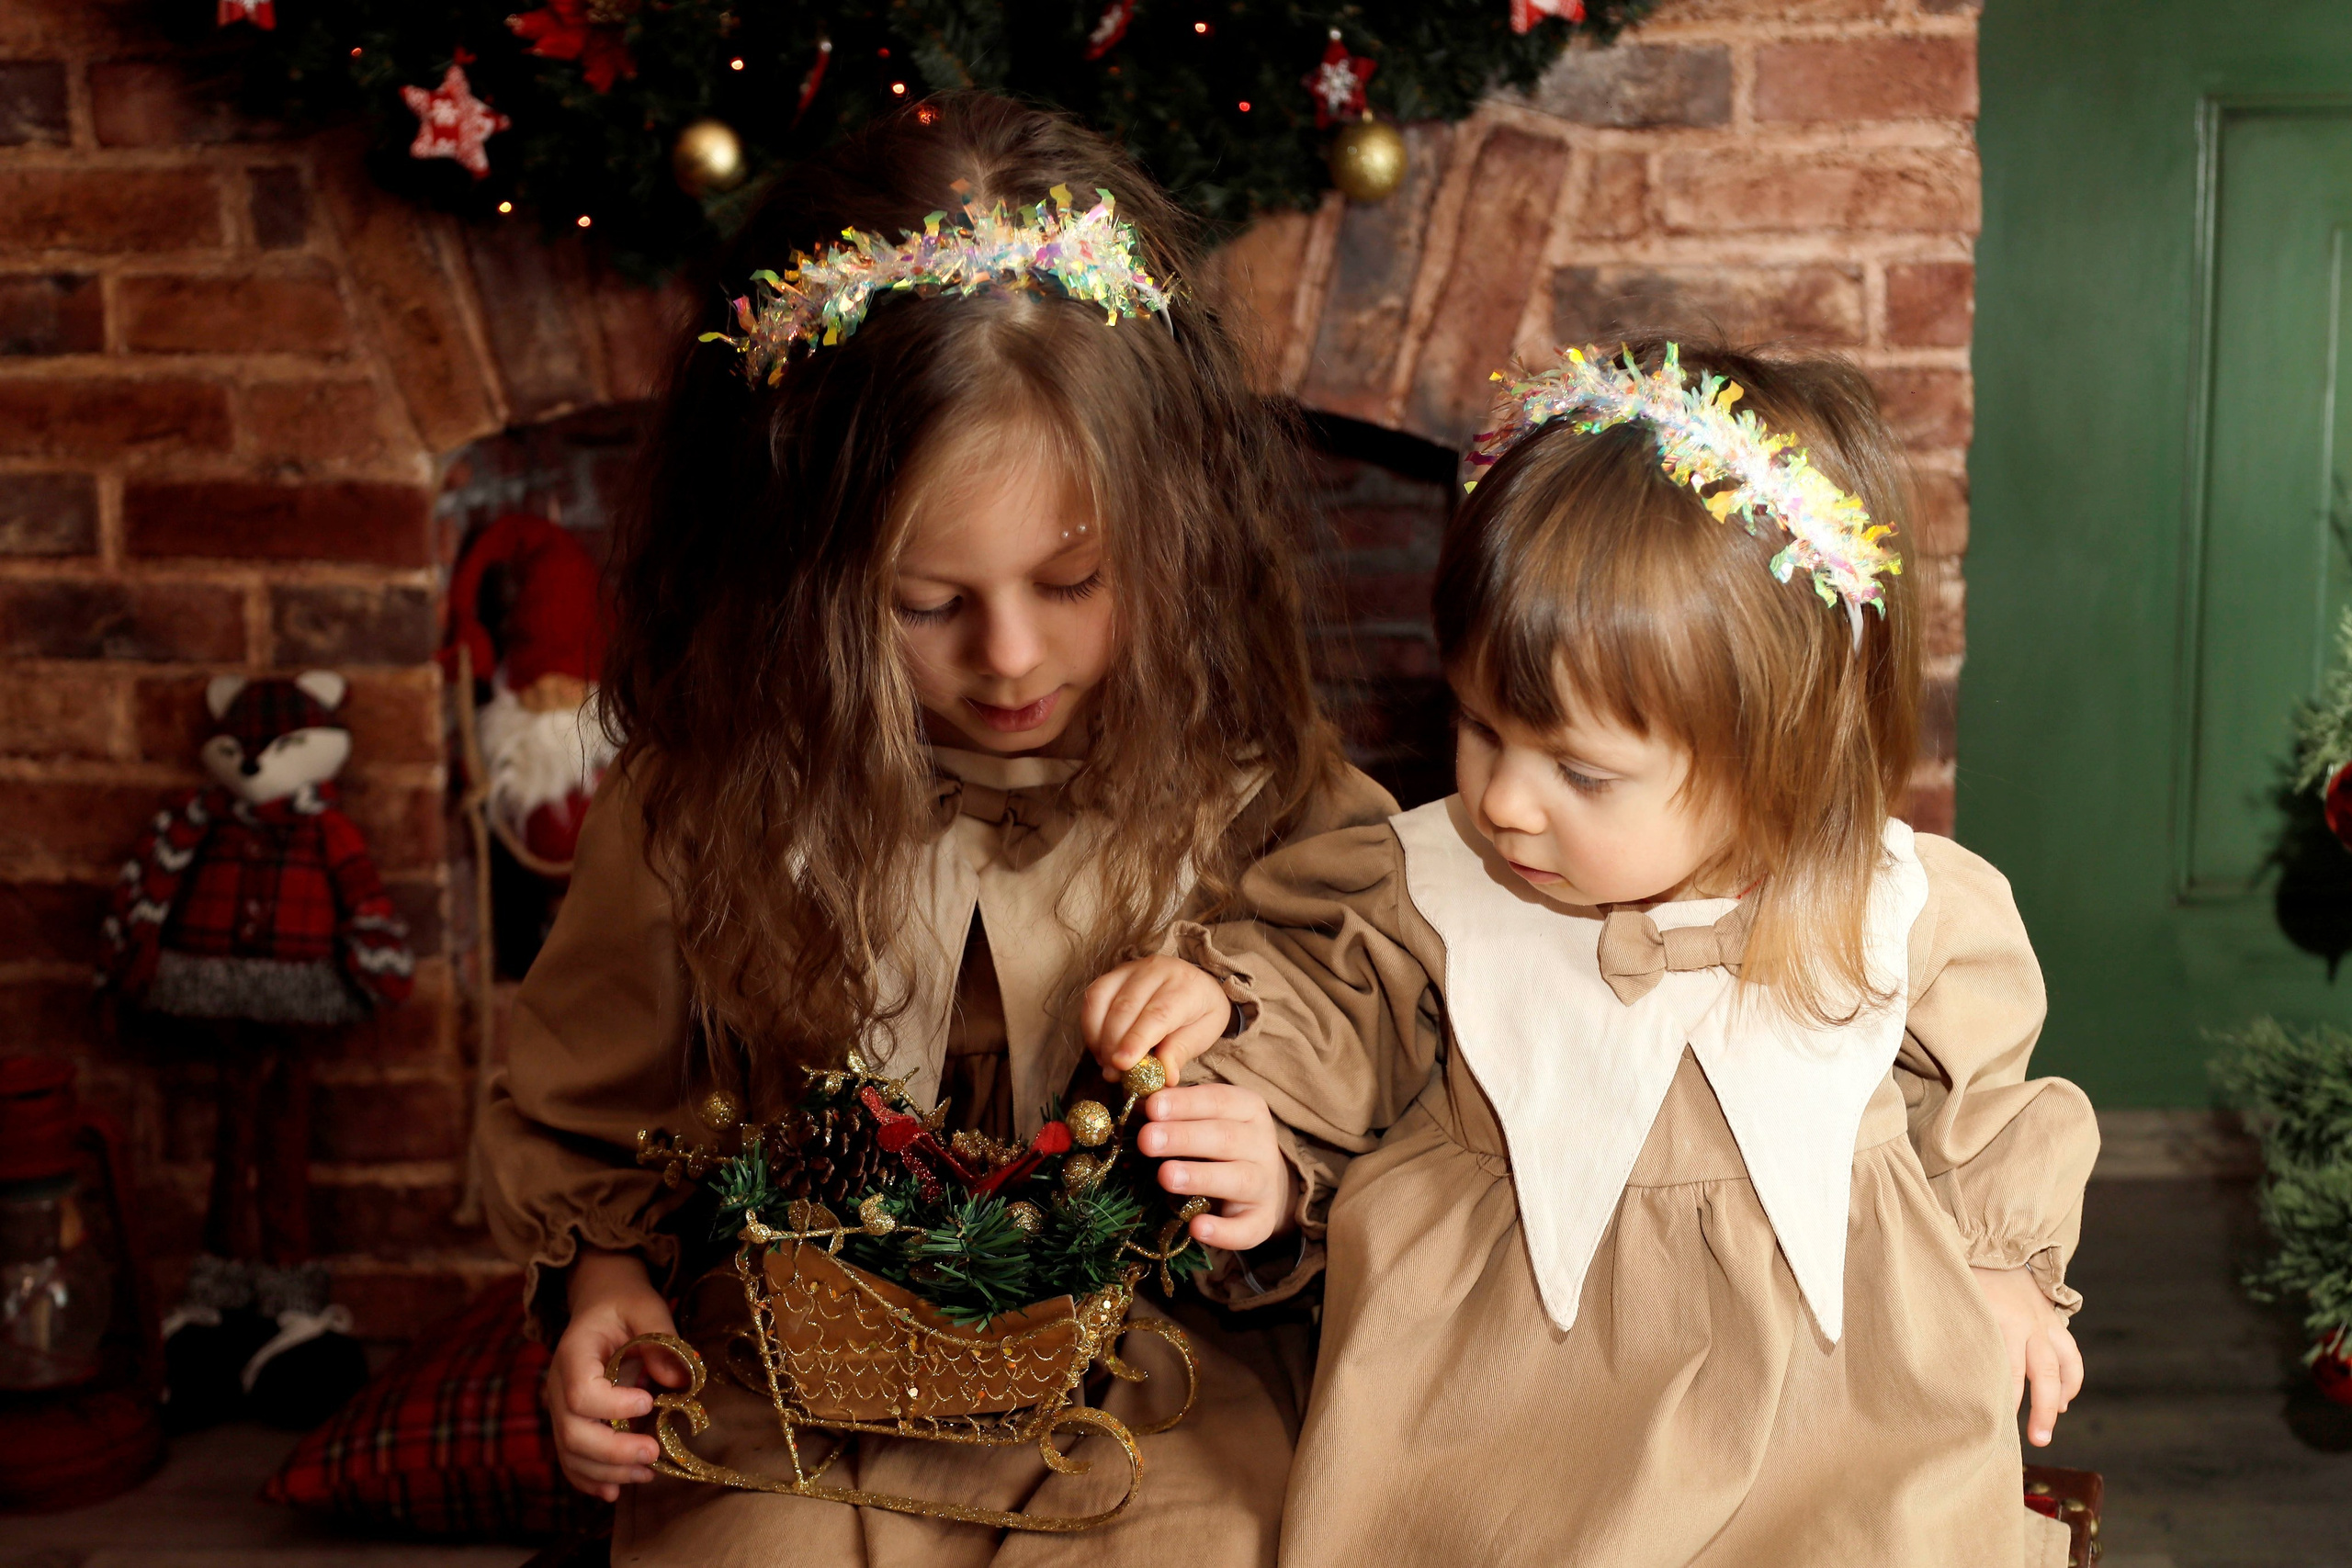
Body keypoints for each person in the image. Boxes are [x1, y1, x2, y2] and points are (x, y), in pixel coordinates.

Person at [474, 93, 1387, 1568]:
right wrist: (601, 1293)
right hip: (803, 1364)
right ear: (802, 579)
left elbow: (1370, 990)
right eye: (925, 604)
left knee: (1210, 1543)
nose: (1012, 658)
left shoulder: (1246, 774)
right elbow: (589, 1111)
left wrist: (1263, 1117)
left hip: (1149, 1369)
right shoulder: (705, 801)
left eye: (1075, 581)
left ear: (1174, 535)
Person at [1082, 340, 2098, 1567]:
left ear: (1781, 754)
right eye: (1479, 727)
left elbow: (1984, 1109)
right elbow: (1330, 1001)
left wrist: (2004, 1271)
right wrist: (1255, 1101)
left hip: (1834, 1400)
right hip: (1508, 1403)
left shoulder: (1896, 910)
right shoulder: (1434, 883)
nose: (1505, 801)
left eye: (1582, 771)